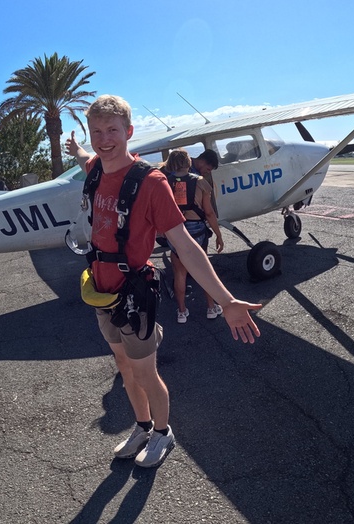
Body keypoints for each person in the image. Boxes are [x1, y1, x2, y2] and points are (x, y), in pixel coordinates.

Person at [65, 95, 261, 468]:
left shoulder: (152, 183)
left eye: (112, 130)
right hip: (101, 290)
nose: (104, 139)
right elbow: (86, 158)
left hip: (133, 292)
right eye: (97, 132)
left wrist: (225, 299)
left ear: (129, 132)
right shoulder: (94, 168)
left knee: (144, 371)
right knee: (123, 366)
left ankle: (162, 433)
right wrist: (77, 149)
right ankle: (141, 427)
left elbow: (186, 246)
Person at [159, 149, 224, 324]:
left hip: (175, 231)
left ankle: (181, 312)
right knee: (204, 271)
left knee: (179, 273)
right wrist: (218, 235)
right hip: (197, 231)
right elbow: (209, 213)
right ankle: (211, 308)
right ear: (189, 163)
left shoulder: (164, 182)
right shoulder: (201, 182)